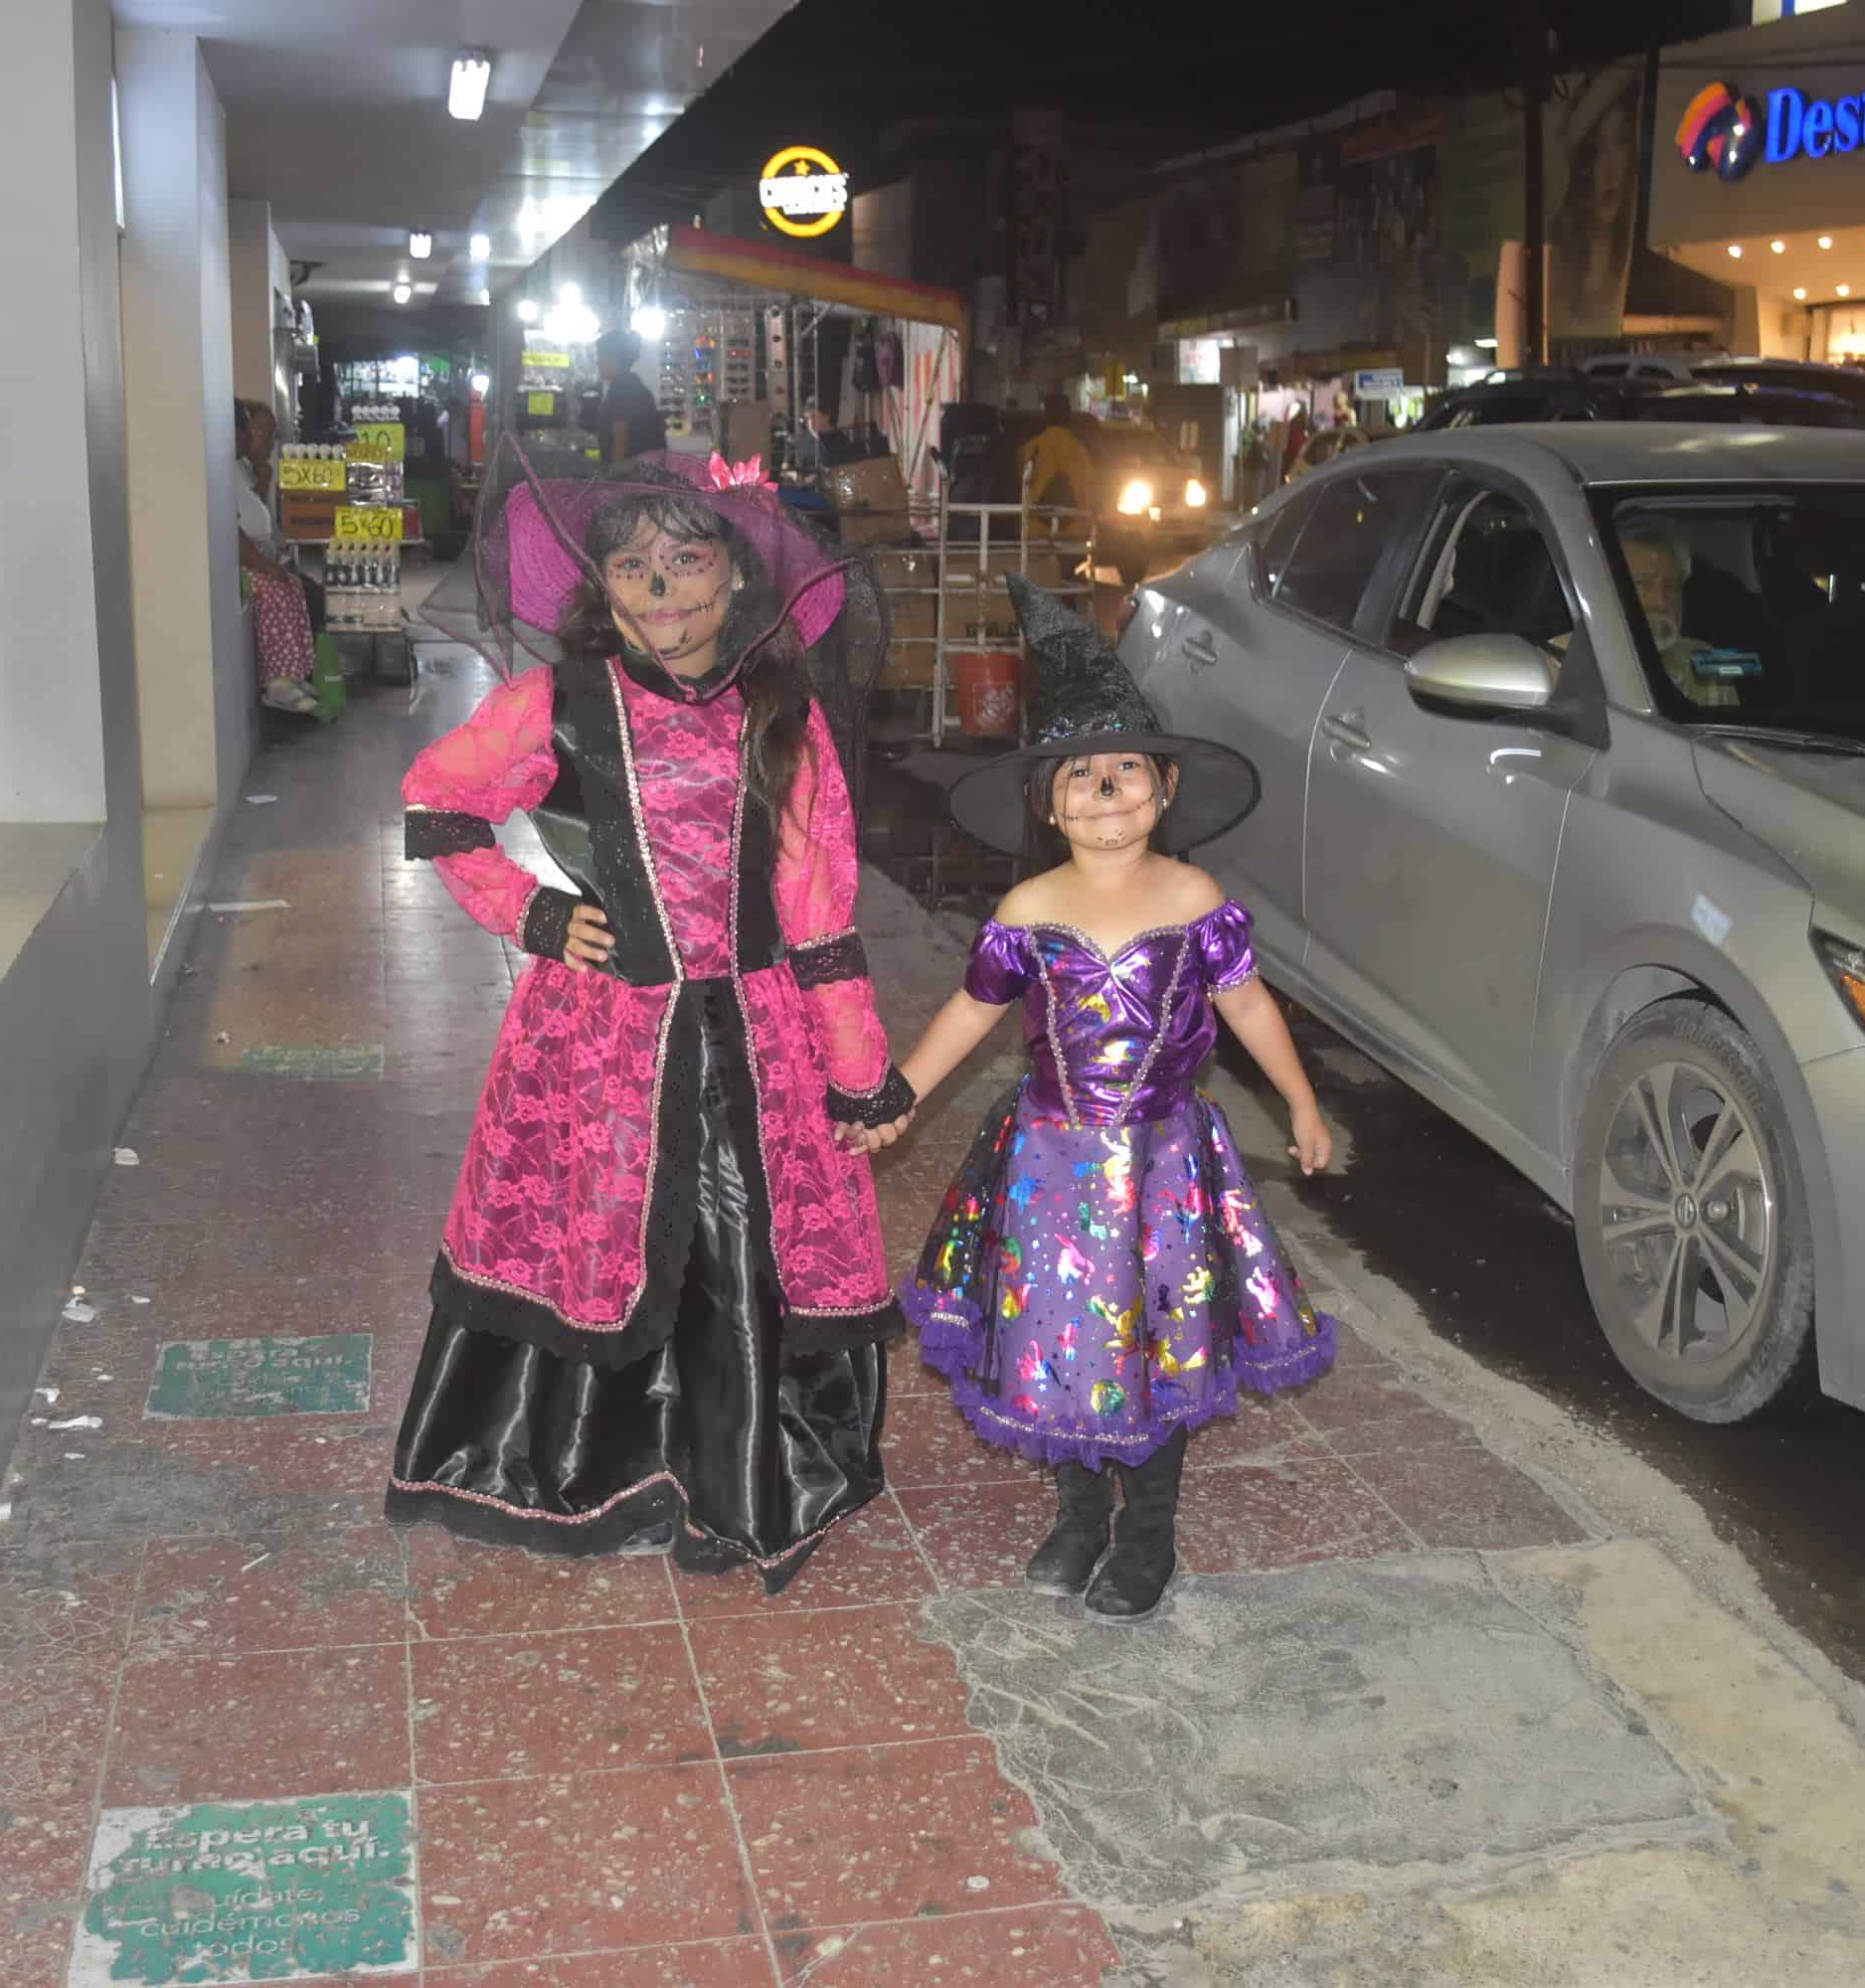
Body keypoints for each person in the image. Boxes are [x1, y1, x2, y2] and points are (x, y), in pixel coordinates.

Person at [387, 445, 912, 1589]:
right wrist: (529, 913)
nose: (661, 591)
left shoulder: (784, 714)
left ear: (737, 576)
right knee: (600, 1231)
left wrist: (857, 1066)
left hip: (758, 1033)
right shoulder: (558, 701)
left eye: (686, 561)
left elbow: (819, 903)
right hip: (600, 1037)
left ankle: (733, 1487)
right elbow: (438, 795)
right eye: (632, 565)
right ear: (598, 583)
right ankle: (602, 1465)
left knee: (737, 1246)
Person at [893, 578, 1340, 1621]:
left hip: (1167, 1164)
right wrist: (900, 1092)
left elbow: (1248, 1007)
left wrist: (1303, 1105)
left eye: (1126, 770)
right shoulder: (1027, 907)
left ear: (1166, 785)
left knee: (1165, 1338)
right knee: (1058, 1336)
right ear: (1047, 803)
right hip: (1049, 1162)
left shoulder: (1194, 900)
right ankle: (1080, 1512)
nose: (1105, 790)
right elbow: (967, 1016)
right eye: (1080, 776)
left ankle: (1150, 1534)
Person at [235, 400, 317, 715]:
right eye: (263, 435)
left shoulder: (243, 468)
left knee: (296, 588)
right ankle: (277, 681)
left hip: (259, 557)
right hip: (245, 564)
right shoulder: (224, 467)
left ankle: (295, 674)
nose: (269, 444)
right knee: (277, 591)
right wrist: (267, 566)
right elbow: (237, 533)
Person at [1616, 514, 1741, 709]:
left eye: (1671, 586)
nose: (1660, 602)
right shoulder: (1575, 661)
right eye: (1643, 584)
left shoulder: (1707, 659)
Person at [594, 328, 661, 466]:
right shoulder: (632, 385)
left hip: (629, 476)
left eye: (600, 356)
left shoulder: (622, 388)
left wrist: (613, 476)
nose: (598, 362)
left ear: (614, 359)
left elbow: (621, 437)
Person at [1021, 392, 1095, 513]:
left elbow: (1022, 483)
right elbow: (1091, 486)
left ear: (1045, 415)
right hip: (1075, 524)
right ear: (1069, 415)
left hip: (1035, 524)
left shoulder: (1031, 448)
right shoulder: (1081, 450)